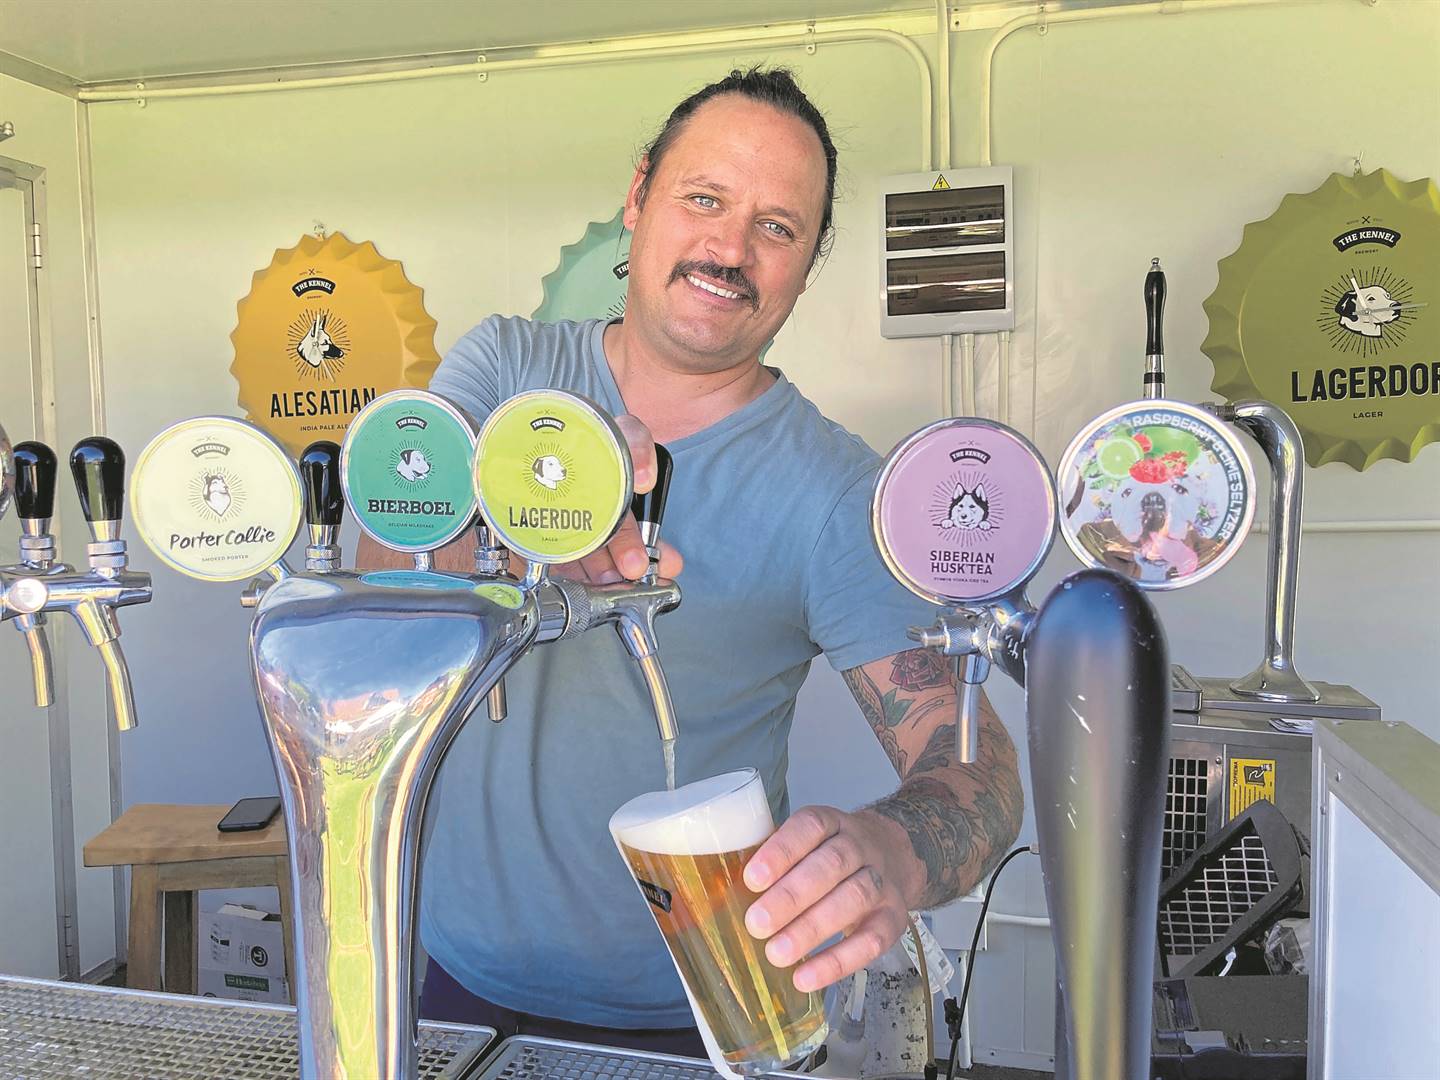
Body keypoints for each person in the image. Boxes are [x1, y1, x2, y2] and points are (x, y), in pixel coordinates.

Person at [357, 66, 1024, 1057]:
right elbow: (383, 581)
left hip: (709, 1013)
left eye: (777, 227)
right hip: (460, 976)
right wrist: (520, 531)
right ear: (638, 196)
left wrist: (890, 851)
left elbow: (979, 765)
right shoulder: (504, 370)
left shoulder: (834, 492)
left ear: (806, 267)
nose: (729, 249)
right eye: (704, 198)